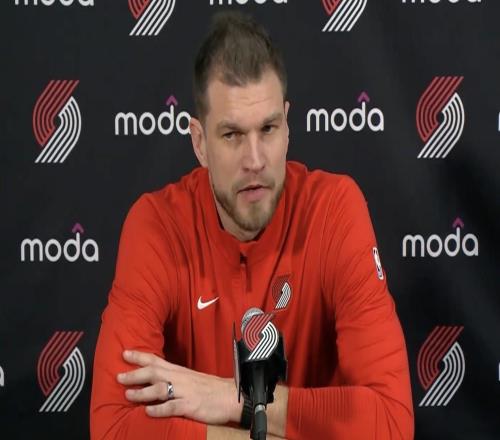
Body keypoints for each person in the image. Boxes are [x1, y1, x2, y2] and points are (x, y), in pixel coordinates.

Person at [90, 11, 414, 440]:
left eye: (268, 129)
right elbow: (112, 428)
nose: (255, 160)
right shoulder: (156, 225)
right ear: (199, 142)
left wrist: (232, 398)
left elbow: (391, 422)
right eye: (232, 135)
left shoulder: (335, 209)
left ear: (287, 126)